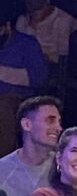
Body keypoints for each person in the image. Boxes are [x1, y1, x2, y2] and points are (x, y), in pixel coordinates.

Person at [0, 95, 62, 196]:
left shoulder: (64, 167)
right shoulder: (2, 170)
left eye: (59, 122)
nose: (58, 128)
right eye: (50, 120)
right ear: (27, 125)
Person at [0, 12, 48, 155]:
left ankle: (5, 162)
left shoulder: (27, 44)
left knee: (2, 108)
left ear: (7, 27)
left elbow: (38, 78)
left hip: (16, 98)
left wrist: (3, 72)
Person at [16, 0, 73, 68]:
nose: (35, 13)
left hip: (50, 67)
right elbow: (20, 47)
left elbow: (63, 57)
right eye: (32, 9)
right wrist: (31, 27)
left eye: (39, 8)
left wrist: (43, 56)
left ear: (47, 1)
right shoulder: (23, 20)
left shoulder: (63, 20)